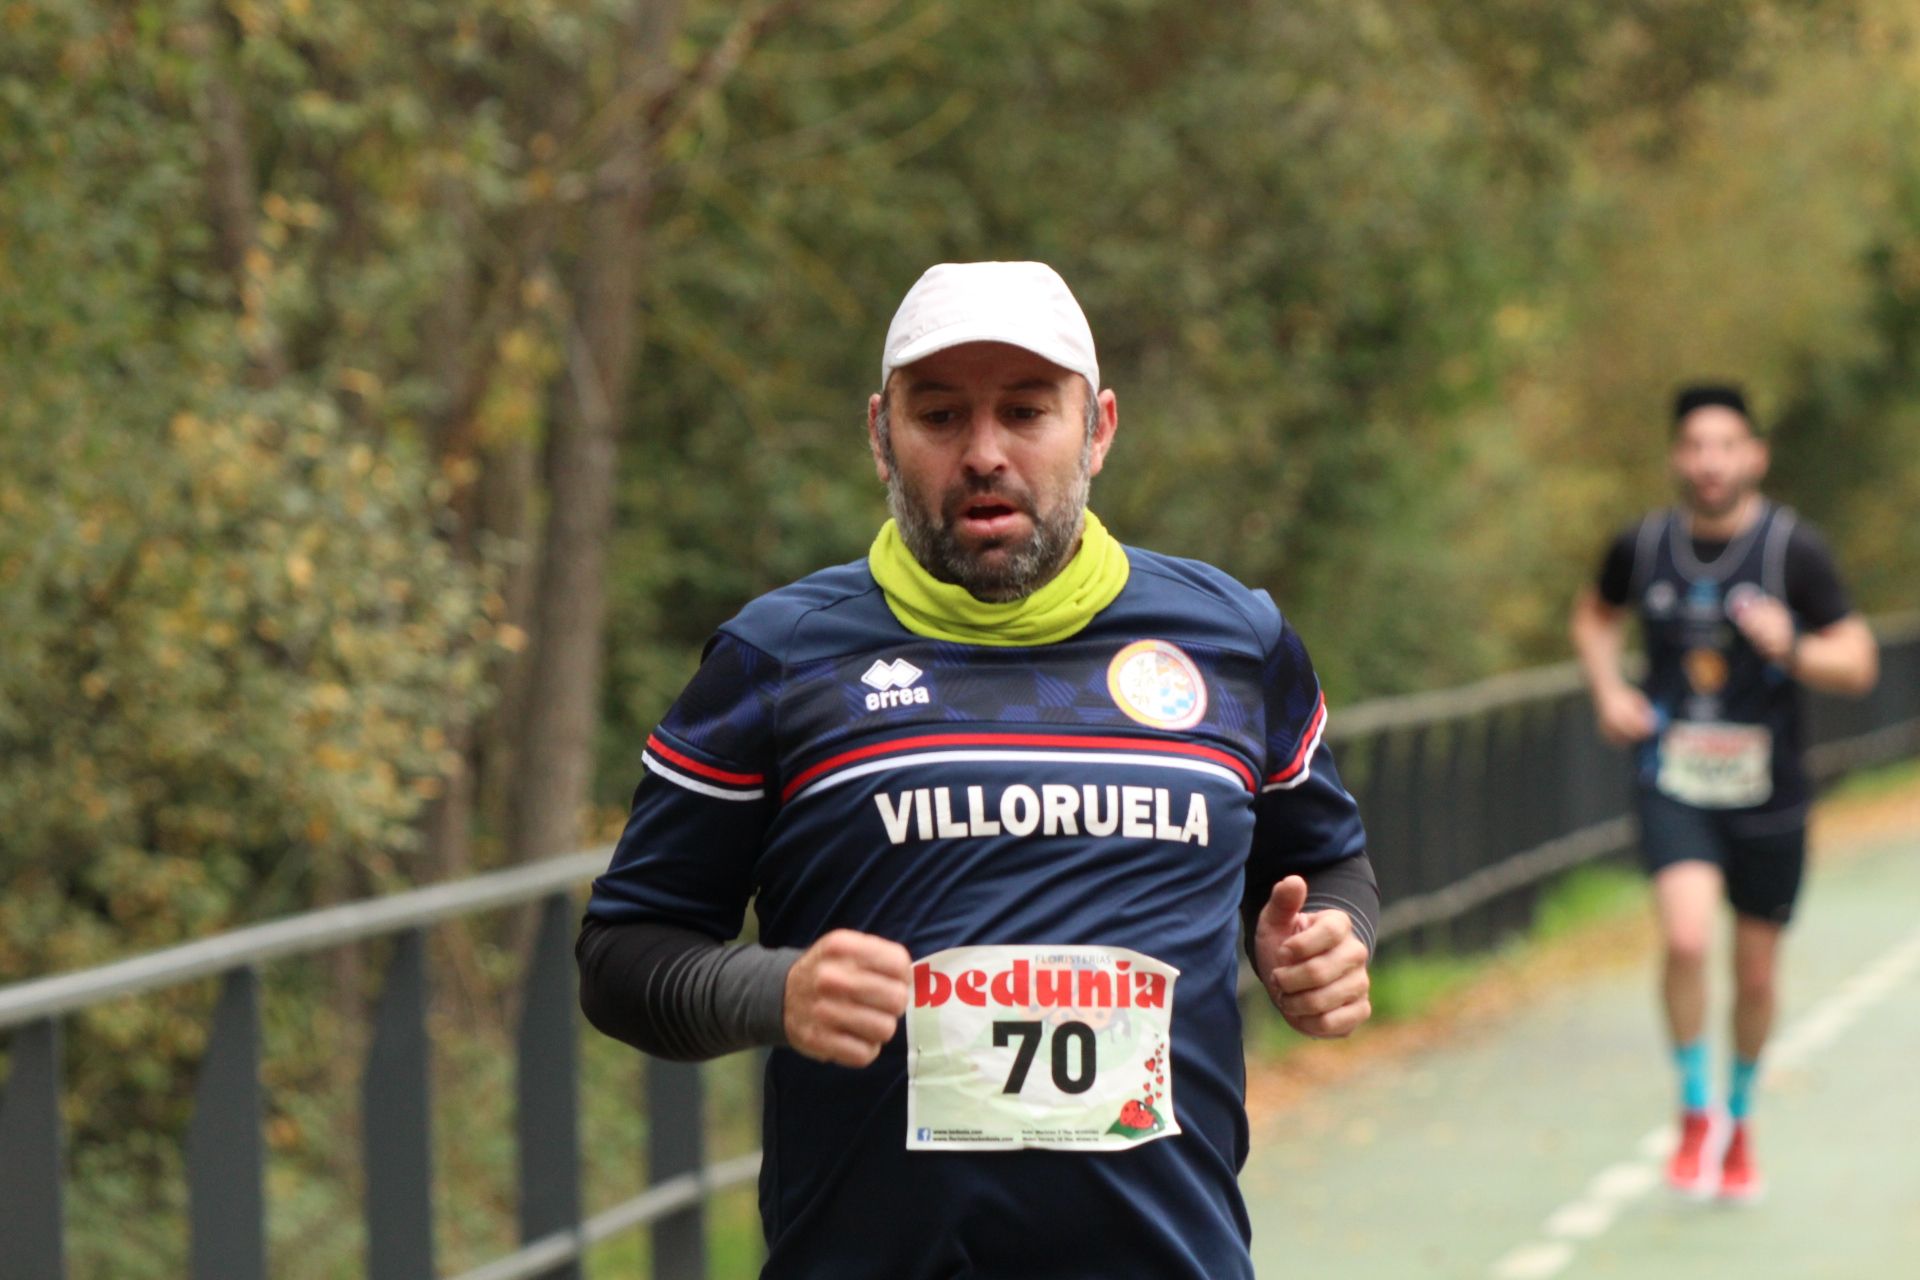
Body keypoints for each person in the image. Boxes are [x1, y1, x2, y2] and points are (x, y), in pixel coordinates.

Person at [577, 260, 1379, 1278]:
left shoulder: (1234, 640)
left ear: (1100, 429)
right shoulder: (777, 659)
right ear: (881, 434)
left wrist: (1325, 945)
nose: (985, 452)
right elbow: (620, 957)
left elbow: (1328, 868)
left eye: (1028, 411)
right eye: (942, 415)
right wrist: (772, 991)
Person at [1569, 383, 1878, 1203]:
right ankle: (1695, 1107)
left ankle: (1740, 1118)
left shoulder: (1792, 551)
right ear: (1678, 458)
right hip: (1675, 782)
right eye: (1696, 447)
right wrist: (1608, 692)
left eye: (1726, 446)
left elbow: (1859, 661)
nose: (1710, 463)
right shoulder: (1642, 546)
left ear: (1754, 456)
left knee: (1757, 975)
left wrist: (1794, 647)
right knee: (1688, 940)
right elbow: (1594, 617)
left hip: (1770, 794)